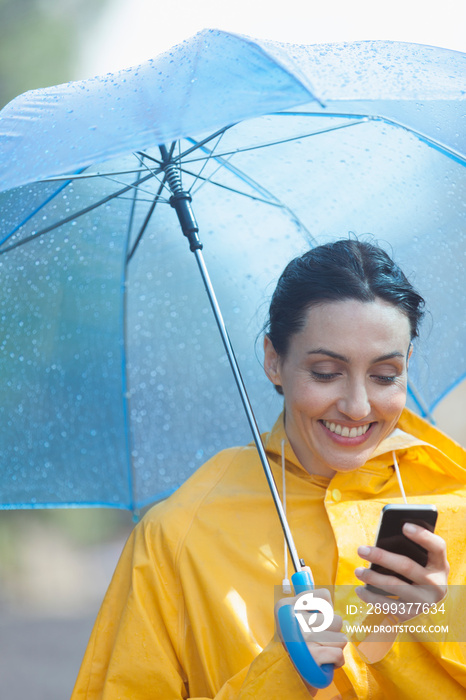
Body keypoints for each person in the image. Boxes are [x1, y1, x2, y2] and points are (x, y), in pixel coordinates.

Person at [71, 239, 466, 699]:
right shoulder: (179, 538)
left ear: (407, 366)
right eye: (325, 372)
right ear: (274, 360)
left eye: (384, 376)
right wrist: (278, 676)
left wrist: (443, 623)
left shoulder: (455, 504)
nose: (358, 407)